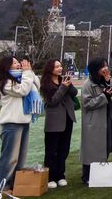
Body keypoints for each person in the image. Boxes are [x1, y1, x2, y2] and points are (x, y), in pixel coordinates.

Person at [0, 55, 40, 191]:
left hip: (24, 122)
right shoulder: (5, 81)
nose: (18, 64)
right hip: (11, 123)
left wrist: (29, 71)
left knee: (20, 159)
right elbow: (23, 90)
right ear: (6, 67)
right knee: (9, 159)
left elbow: (36, 84)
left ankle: (14, 185)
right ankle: (0, 187)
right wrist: (27, 73)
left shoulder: (22, 77)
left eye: (18, 62)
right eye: (14, 63)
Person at [80, 58, 112, 184]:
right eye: (102, 66)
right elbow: (87, 103)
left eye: (106, 66)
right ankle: (86, 175)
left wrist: (109, 81)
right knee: (91, 149)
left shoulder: (104, 81)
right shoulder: (88, 84)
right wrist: (103, 96)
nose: (105, 69)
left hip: (106, 117)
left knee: (106, 144)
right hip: (94, 120)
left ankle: (100, 172)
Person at [40, 59, 78, 188]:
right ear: (50, 68)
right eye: (57, 66)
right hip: (54, 121)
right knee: (51, 150)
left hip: (67, 118)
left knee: (64, 149)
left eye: (60, 66)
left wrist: (69, 84)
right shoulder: (45, 83)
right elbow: (52, 101)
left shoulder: (63, 80)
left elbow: (74, 93)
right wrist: (63, 87)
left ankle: (61, 175)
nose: (60, 68)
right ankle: (50, 177)